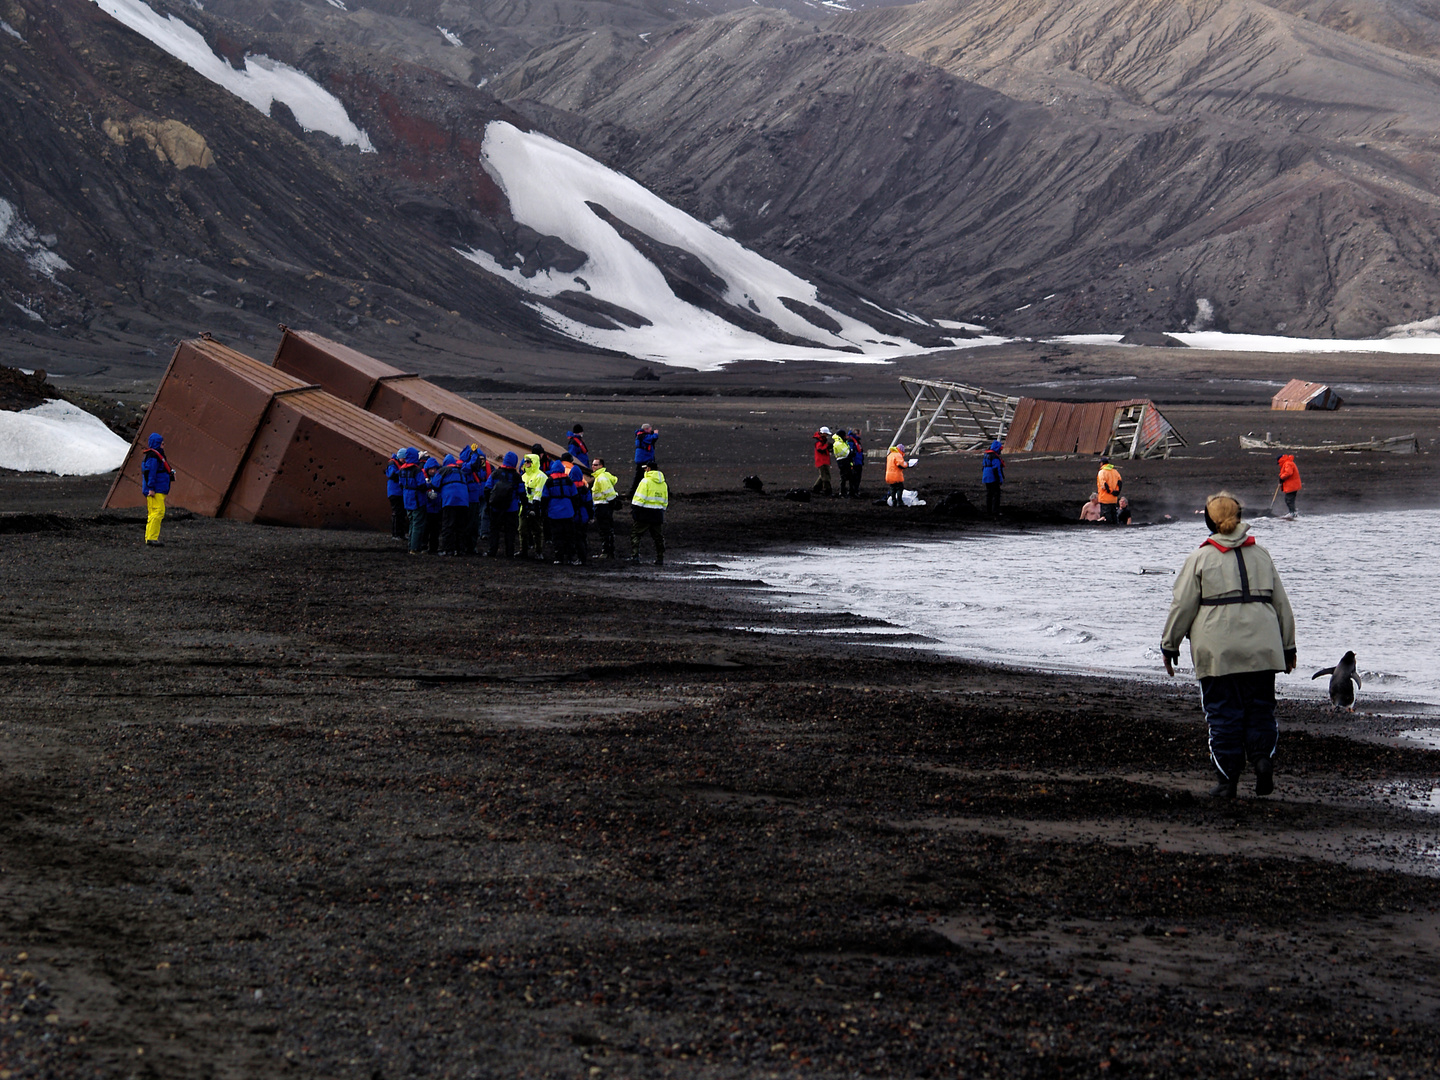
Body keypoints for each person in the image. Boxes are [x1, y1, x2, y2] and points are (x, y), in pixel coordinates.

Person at [1161, 492, 1297, 799]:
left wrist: (1170, 645)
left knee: (1224, 714)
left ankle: (1227, 782)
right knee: (1260, 710)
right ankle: (1262, 760)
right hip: (1264, 649)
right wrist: (1288, 648)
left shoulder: (1199, 558)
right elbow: (1282, 605)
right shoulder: (1261, 554)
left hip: (1218, 651)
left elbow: (1182, 606)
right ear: (1239, 517)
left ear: (1209, 520)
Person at [541, 454, 580, 564]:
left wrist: (544, 511)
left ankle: (559, 557)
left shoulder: (549, 481)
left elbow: (545, 497)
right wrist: (574, 509)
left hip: (554, 512)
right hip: (568, 511)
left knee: (557, 536)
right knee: (569, 535)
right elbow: (575, 496)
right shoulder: (568, 481)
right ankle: (571, 557)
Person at [140, 432, 175, 547]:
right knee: (158, 512)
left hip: (157, 488)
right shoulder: (153, 457)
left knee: (153, 513)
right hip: (156, 489)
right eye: (162, 443)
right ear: (157, 443)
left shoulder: (154, 455)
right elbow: (150, 472)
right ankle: (152, 538)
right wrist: (151, 488)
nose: (163, 445)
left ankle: (150, 538)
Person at [485, 452, 522, 558]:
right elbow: (522, 492)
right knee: (510, 531)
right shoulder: (516, 476)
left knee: (494, 529)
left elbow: (487, 488)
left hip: (496, 507)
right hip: (511, 508)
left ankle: (492, 551)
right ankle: (509, 553)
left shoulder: (496, 473)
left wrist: (489, 503)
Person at [630, 461, 668, 565]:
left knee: (636, 534)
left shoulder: (645, 481)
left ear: (649, 469)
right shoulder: (663, 483)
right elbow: (665, 500)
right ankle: (660, 558)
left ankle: (635, 556)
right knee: (658, 537)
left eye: (646, 468)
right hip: (658, 514)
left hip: (645, 513)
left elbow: (639, 498)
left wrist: (635, 509)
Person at [434, 454, 468, 556]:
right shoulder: (461, 472)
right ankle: (460, 550)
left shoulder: (443, 470)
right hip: (463, 501)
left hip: (450, 501)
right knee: (461, 526)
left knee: (448, 525)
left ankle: (448, 550)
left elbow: (435, 484)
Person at [590, 457, 619, 558]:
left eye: (595, 465)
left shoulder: (601, 478)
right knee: (607, 529)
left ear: (601, 466)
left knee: (604, 530)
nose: (593, 467)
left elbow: (608, 492)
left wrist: (612, 502)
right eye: (593, 464)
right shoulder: (602, 476)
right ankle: (609, 551)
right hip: (605, 506)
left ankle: (606, 552)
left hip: (602, 507)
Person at [519, 452, 546, 559]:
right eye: (525, 461)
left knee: (537, 531)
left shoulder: (541, 476)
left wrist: (534, 507)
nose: (526, 463)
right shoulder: (524, 476)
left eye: (528, 462)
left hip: (535, 506)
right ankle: (523, 551)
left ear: (534, 463)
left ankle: (538, 552)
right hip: (525, 506)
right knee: (522, 530)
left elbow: (539, 493)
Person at [399, 447, 427, 554]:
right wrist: (429, 485)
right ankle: (414, 548)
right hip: (417, 499)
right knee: (417, 524)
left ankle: (411, 546)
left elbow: (401, 484)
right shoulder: (416, 470)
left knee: (411, 523)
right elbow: (421, 485)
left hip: (407, 498)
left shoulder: (402, 469)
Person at [385, 447, 407, 540]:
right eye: (403, 458)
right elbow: (392, 475)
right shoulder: (392, 463)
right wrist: (403, 472)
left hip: (399, 492)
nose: (404, 460)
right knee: (397, 513)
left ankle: (400, 534)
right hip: (395, 492)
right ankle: (395, 534)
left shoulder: (398, 464)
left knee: (401, 513)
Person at [630, 424, 659, 495]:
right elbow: (652, 438)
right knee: (645, 475)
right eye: (650, 429)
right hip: (644, 459)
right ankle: (633, 492)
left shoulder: (641, 435)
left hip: (644, 458)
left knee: (640, 475)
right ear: (646, 429)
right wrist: (655, 433)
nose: (651, 430)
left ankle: (633, 491)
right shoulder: (642, 436)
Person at [422, 457, 442, 553]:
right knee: (426, 528)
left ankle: (433, 547)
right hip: (427, 508)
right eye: (431, 469)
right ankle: (424, 546)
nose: (433, 471)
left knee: (435, 530)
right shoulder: (423, 478)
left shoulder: (437, 478)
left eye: (434, 469)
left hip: (436, 508)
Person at [981, 439, 1004, 516]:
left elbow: (983, 466)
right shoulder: (995, 457)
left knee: (989, 494)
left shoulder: (986, 455)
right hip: (993, 478)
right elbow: (996, 469)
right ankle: (995, 511)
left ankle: (988, 510)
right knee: (996, 494)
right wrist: (999, 480)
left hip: (986, 477)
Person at [1096, 456, 1122, 524]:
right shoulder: (1115, 472)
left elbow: (1103, 485)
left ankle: (1107, 532)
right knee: (1114, 516)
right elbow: (1119, 483)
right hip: (1114, 499)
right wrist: (1117, 491)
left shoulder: (1102, 472)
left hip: (1104, 499)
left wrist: (1110, 491)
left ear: (1102, 463)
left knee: (1106, 518)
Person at [1277, 453, 1302, 519]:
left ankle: (1293, 513)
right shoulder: (1288, 463)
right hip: (1292, 485)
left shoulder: (1287, 463)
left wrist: (1282, 477)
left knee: (1289, 499)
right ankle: (1293, 512)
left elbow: (1288, 473)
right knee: (1290, 499)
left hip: (1292, 486)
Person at [885, 443, 909, 507]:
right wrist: (907, 464)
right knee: (899, 488)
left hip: (889, 476)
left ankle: (893, 501)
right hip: (896, 476)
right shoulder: (898, 455)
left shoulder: (890, 455)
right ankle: (899, 502)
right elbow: (900, 465)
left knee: (892, 488)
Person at [812, 426, 834, 495]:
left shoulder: (822, 441)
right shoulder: (819, 442)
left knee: (823, 476)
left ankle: (816, 488)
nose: (827, 435)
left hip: (824, 460)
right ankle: (827, 490)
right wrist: (827, 446)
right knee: (826, 477)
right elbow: (820, 449)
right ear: (823, 433)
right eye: (826, 434)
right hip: (822, 461)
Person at [831, 428, 852, 496]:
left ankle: (845, 491)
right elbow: (846, 452)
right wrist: (851, 453)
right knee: (844, 477)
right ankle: (843, 492)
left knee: (847, 476)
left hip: (843, 460)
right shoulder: (838, 443)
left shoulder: (841, 442)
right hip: (843, 461)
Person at [845, 429, 865, 497]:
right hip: (855, 462)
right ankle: (852, 492)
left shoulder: (856, 440)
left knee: (857, 477)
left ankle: (855, 491)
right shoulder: (851, 441)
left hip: (858, 461)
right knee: (854, 477)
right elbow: (851, 451)